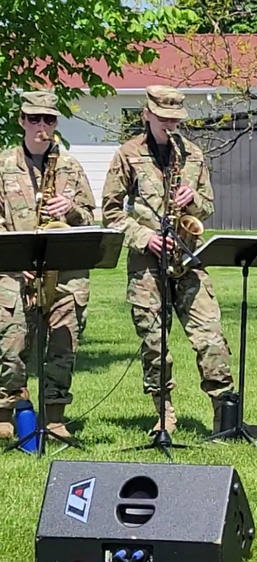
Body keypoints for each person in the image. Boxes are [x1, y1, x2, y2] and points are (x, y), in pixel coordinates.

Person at [102, 85, 235, 435]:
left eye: (175, 119)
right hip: (147, 263)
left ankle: (225, 415)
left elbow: (209, 205)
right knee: (154, 343)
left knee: (210, 337)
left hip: (188, 258)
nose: (170, 125)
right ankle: (164, 413)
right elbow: (111, 213)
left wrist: (193, 200)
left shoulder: (191, 154)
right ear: (146, 115)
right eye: (163, 119)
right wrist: (145, 237)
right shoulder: (127, 154)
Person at [0, 91, 95, 440]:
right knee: (10, 342)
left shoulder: (70, 166)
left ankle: (55, 417)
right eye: (35, 119)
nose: (43, 127)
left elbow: (90, 219)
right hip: (13, 269)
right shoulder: (3, 163)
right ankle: (6, 414)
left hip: (64, 271)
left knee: (63, 345)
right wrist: (16, 254)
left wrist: (69, 208)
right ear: (22, 120)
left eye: (50, 120)